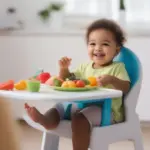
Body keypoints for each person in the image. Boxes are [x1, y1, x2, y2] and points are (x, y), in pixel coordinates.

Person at [25, 19, 130, 150]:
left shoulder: (117, 68)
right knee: (59, 107)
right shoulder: (84, 67)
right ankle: (44, 120)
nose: (97, 48)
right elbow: (68, 81)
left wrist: (112, 80)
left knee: (79, 119)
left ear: (117, 50)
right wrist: (64, 70)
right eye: (92, 44)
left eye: (105, 44)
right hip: (80, 106)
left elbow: (126, 87)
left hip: (106, 111)